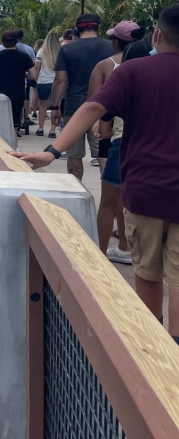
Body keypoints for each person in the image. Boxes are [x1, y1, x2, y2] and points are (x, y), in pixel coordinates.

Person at [13, 3, 179, 345]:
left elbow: (91, 108)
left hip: (144, 189)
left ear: (158, 36)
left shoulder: (134, 73)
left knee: (147, 271)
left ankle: (151, 343)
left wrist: (51, 151)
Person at [87, 21, 144, 263]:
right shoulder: (156, 68)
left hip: (120, 141)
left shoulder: (111, 68)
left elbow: (97, 105)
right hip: (146, 144)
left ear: (116, 42)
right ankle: (124, 246)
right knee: (128, 199)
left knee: (109, 201)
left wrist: (101, 127)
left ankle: (98, 256)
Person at [49, 14, 115, 179]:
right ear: (98, 27)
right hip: (102, 108)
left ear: (77, 29)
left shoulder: (67, 49)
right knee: (103, 152)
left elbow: (59, 80)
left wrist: (55, 106)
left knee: (74, 154)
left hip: (74, 106)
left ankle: (77, 190)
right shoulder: (111, 47)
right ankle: (108, 191)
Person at [0, 31, 37, 138]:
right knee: (14, 126)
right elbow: (33, 75)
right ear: (17, 41)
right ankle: (14, 148)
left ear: (2, 42)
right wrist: (23, 74)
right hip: (18, 94)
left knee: (0, 125)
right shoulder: (24, 56)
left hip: (1, 93)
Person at [33, 32, 60, 137]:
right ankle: (53, 130)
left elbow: (37, 68)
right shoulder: (60, 51)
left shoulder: (41, 51)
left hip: (43, 81)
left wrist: (36, 78)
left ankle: (40, 128)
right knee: (56, 106)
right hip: (56, 81)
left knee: (43, 105)